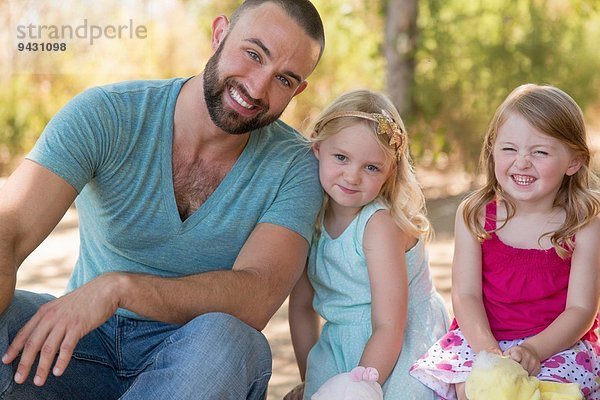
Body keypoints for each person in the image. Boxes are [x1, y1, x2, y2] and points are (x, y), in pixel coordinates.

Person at [0, 1, 325, 398]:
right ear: (219, 33)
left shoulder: (296, 166)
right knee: (8, 321)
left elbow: (257, 294)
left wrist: (120, 288)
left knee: (232, 340)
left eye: (285, 80)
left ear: (299, 89)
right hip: (79, 342)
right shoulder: (108, 115)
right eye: (253, 54)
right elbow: (9, 228)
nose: (257, 88)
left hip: (193, 360)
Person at [409, 84, 600, 399]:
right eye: (509, 149)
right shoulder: (475, 214)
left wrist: (533, 351)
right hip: (484, 340)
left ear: (573, 162)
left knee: (549, 393)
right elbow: (466, 295)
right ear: (492, 150)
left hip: (555, 346)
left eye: (539, 151)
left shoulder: (583, 222)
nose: (522, 162)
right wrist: (490, 356)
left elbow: (581, 309)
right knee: (471, 389)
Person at [283, 89, 450, 400]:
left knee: (403, 394)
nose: (352, 176)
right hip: (339, 342)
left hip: (400, 338)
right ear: (318, 148)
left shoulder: (378, 225)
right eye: (341, 158)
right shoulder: (310, 220)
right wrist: (313, 380)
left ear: (390, 172)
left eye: (371, 167)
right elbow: (302, 307)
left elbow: (389, 325)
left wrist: (354, 390)